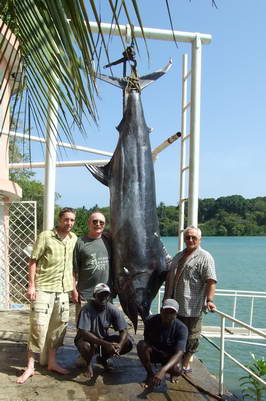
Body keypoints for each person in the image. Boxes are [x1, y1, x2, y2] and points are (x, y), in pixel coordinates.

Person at [17, 207, 77, 384]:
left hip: (63, 290)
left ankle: (52, 362)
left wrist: (73, 288)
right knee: (38, 327)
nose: (69, 223)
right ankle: (30, 366)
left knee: (58, 329)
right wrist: (31, 286)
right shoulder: (45, 236)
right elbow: (33, 261)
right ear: (60, 219)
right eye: (66, 219)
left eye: (72, 220)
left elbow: (73, 266)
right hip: (43, 288)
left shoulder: (73, 239)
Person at [164, 225, 217, 373]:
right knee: (174, 335)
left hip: (191, 306)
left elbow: (211, 281)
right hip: (173, 305)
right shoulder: (179, 255)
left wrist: (210, 300)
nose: (190, 239)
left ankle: (185, 365)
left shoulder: (205, 257)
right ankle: (175, 362)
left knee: (191, 338)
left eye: (194, 237)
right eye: (187, 237)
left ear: (200, 239)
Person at [74, 283, 133, 379]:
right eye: (100, 295)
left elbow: (124, 330)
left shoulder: (113, 309)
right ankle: (88, 363)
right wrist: (106, 344)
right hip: (86, 340)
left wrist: (120, 346)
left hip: (102, 340)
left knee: (128, 343)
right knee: (86, 346)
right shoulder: (86, 309)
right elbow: (83, 332)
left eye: (106, 295)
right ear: (94, 296)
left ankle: (102, 359)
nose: (103, 297)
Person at [137, 299, 188, 388]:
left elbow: (180, 352)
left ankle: (171, 372)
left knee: (177, 370)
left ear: (176, 315)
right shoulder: (150, 320)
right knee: (141, 345)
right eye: (166, 311)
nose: (168, 315)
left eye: (172, 313)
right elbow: (146, 341)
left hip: (170, 356)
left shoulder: (182, 328)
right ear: (161, 310)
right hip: (156, 352)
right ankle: (150, 374)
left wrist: (163, 370)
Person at [72, 211, 112, 320]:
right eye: (95, 221)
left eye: (101, 222)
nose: (98, 224)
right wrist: (73, 290)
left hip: (105, 295)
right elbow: (73, 270)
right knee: (83, 331)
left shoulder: (109, 241)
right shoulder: (80, 242)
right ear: (88, 223)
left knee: (103, 328)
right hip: (85, 295)